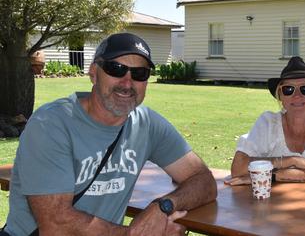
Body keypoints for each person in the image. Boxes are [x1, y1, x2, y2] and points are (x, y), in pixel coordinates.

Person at [3, 33, 217, 236]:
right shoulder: (51, 124)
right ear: (93, 73)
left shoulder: (147, 124)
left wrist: (163, 206)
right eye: (116, 69)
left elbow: (203, 180)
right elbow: (56, 226)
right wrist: (137, 233)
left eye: (139, 74)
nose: (127, 83)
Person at [229, 56, 305, 185]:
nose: (297, 96)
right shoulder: (268, 122)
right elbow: (238, 169)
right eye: (288, 89)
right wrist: (292, 161)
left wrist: (268, 176)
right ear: (280, 96)